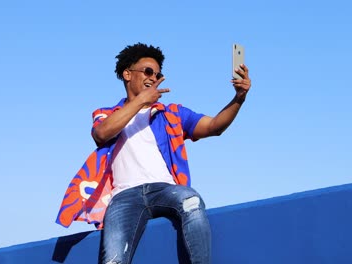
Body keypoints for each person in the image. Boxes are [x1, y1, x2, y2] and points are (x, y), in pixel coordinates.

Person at [56, 43, 251, 264]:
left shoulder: (172, 114)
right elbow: (101, 134)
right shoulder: (106, 114)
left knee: (191, 201)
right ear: (127, 74)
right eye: (148, 71)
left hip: (164, 189)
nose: (153, 77)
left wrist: (239, 98)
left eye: (158, 74)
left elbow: (214, 126)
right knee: (113, 260)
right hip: (124, 197)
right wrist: (141, 100)